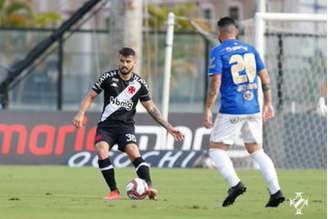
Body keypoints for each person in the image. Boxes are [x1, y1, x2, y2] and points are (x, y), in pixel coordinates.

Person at [72, 47, 184, 201]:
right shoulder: (107, 77)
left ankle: (150, 187)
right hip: (106, 126)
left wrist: (169, 127)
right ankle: (114, 191)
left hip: (126, 127)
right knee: (101, 150)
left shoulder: (139, 84)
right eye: (122, 61)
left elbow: (151, 108)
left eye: (128, 61)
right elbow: (91, 96)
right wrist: (81, 113)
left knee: (133, 151)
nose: (124, 64)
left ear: (134, 62)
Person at [203, 17, 285, 207]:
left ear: (219, 34)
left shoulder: (218, 51)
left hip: (232, 108)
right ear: (236, 32)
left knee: (216, 149)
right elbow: (265, 78)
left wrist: (208, 108)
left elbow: (215, 83)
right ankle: (276, 191)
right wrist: (269, 103)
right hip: (253, 108)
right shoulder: (251, 49)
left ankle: (235, 184)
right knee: (257, 150)